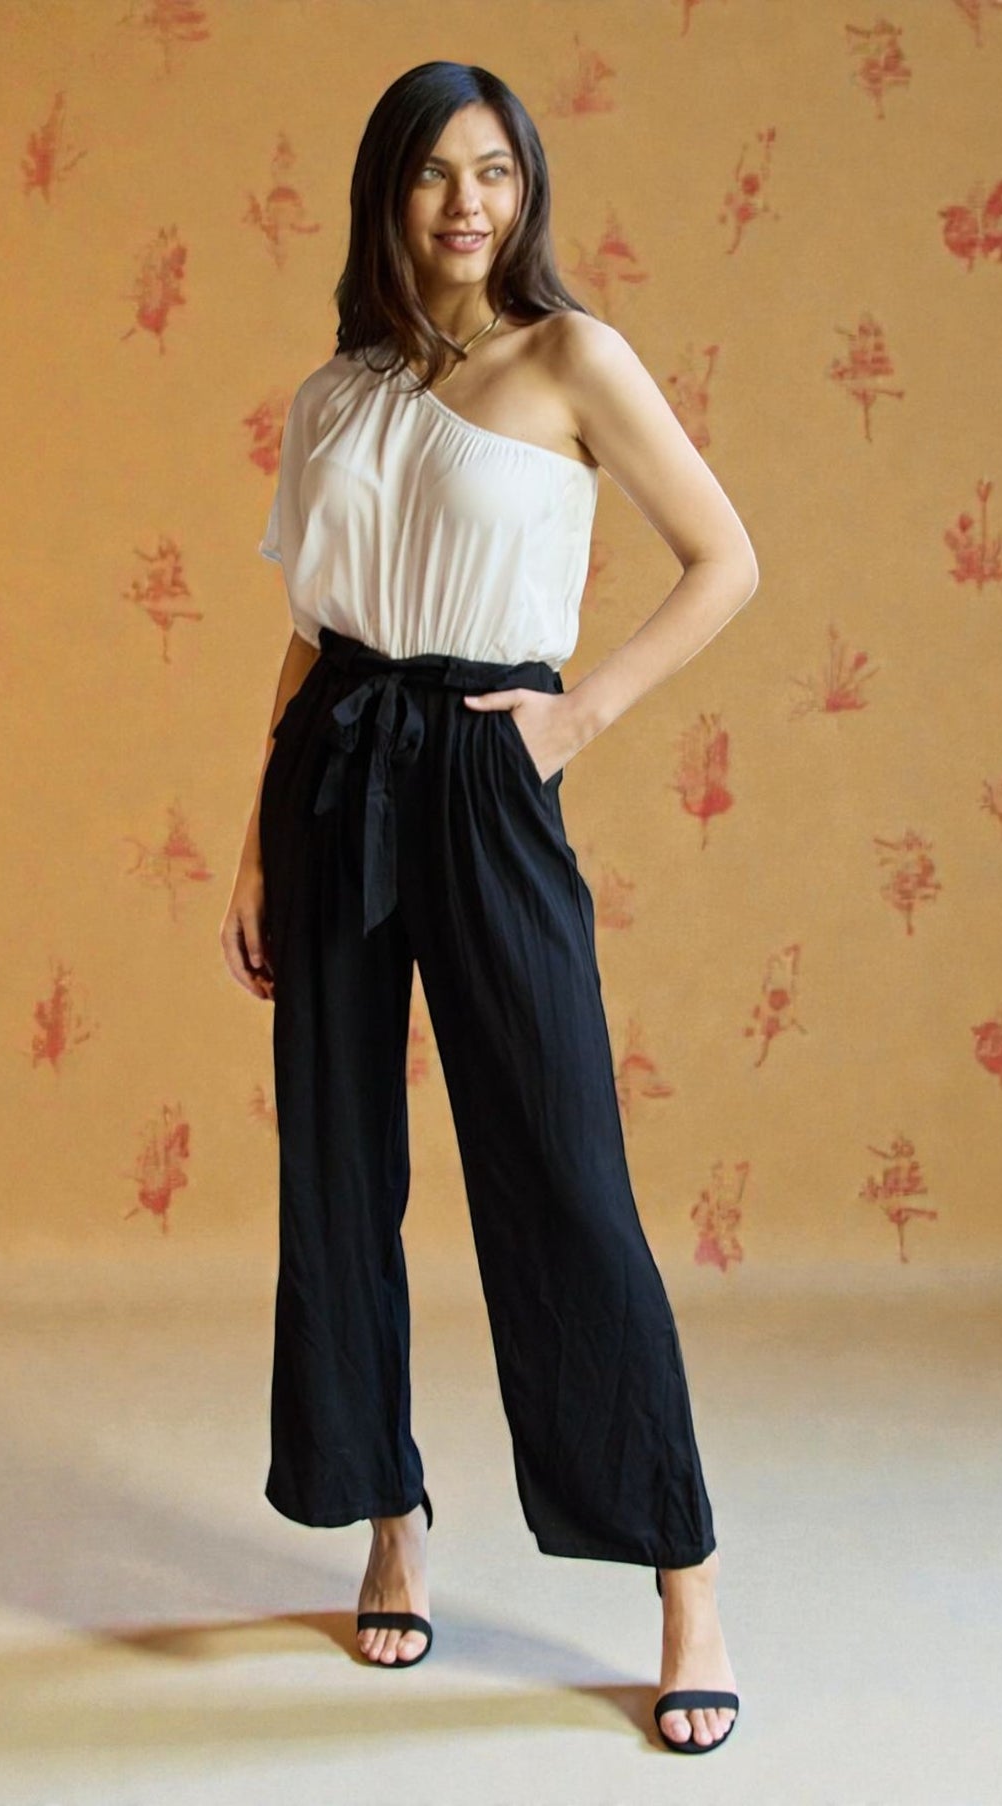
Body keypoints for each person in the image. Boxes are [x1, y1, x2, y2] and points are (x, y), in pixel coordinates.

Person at [219, 61, 759, 1756]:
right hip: (329, 769)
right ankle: (390, 1516)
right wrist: (252, 837)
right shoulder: (336, 390)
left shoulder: (573, 359)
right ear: (387, 195)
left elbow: (725, 557)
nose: (468, 204)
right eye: (436, 176)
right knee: (337, 1169)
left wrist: (572, 722)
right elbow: (311, 627)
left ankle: (684, 1578)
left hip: (480, 771)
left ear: (525, 191)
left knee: (562, 1174)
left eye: (495, 174)